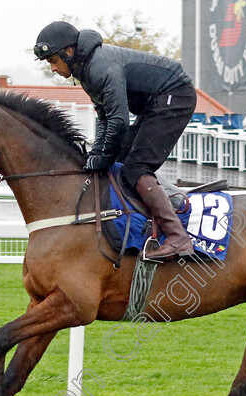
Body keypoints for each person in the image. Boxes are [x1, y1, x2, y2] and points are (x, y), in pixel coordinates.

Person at [34, 21, 197, 261]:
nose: (53, 68)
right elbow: (104, 117)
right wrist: (96, 154)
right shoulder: (86, 68)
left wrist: (102, 157)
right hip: (156, 101)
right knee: (117, 162)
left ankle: (177, 236)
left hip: (176, 94)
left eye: (53, 61)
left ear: (68, 52)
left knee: (137, 167)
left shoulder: (100, 68)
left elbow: (119, 122)